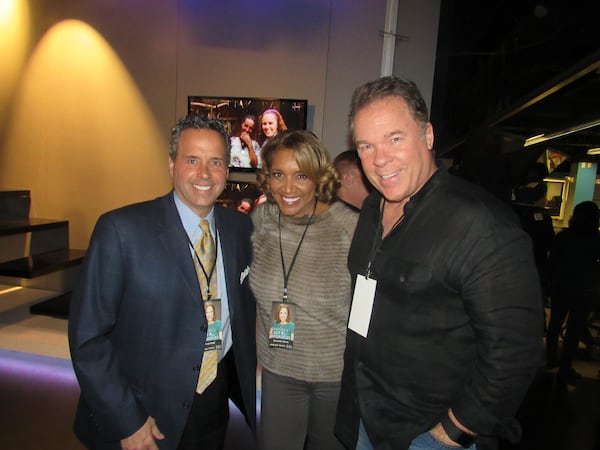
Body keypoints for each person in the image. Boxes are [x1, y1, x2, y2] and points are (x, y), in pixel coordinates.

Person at [334, 76, 543, 450]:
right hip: (365, 416)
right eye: (366, 146)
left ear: (427, 136)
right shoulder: (370, 208)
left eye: (394, 139)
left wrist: (451, 434)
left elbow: (515, 352)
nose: (380, 159)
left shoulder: (480, 223)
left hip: (427, 432)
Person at [68, 115, 257, 450]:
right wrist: (128, 420)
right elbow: (87, 338)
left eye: (215, 162)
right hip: (143, 415)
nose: (204, 174)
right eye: (192, 160)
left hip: (212, 408)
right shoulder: (121, 231)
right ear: (171, 164)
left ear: (227, 170)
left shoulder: (241, 230)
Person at [250, 129, 358, 450]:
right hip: (278, 372)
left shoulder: (349, 227)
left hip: (334, 377)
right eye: (278, 174)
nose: (288, 187)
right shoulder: (261, 220)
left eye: (301, 175)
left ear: (319, 177)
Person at [545, 201, 600, 388]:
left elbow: (552, 262)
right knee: (574, 330)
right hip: (584, 290)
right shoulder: (596, 240)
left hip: (561, 287)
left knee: (555, 324)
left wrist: (550, 282)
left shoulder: (564, 237)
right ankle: (566, 366)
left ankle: (551, 357)